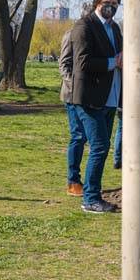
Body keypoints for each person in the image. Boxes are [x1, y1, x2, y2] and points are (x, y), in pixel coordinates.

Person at [69, 0, 123, 213]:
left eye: (115, 4)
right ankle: (90, 198)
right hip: (89, 98)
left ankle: (94, 194)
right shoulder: (84, 26)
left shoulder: (115, 29)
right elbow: (82, 62)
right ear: (96, 3)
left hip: (110, 98)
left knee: (103, 146)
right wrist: (114, 62)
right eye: (106, 3)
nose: (111, 7)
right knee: (99, 147)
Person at [59, 26, 88, 196]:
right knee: (78, 136)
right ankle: (73, 181)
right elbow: (64, 65)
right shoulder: (70, 34)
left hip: (88, 95)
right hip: (72, 95)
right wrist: (75, 88)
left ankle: (82, 181)